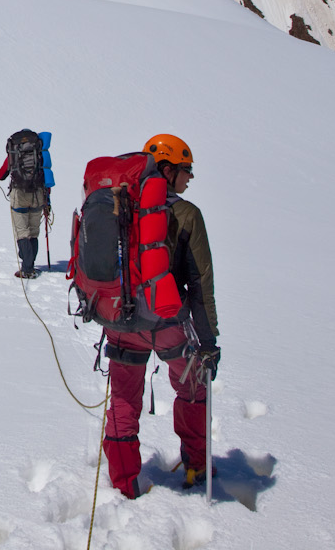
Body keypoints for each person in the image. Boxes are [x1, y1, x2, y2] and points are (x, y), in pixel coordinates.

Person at [101, 133, 220, 499]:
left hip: (121, 321)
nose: (189, 179)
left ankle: (124, 483)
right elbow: (200, 284)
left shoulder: (117, 204)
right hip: (169, 324)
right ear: (167, 169)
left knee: (123, 398)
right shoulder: (187, 214)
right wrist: (209, 341)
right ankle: (196, 465)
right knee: (192, 390)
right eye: (186, 171)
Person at [0, 130, 51, 279]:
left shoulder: (14, 154)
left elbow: (2, 175)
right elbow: (47, 175)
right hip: (38, 194)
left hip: (19, 194)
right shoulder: (40, 153)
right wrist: (47, 201)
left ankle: (27, 268)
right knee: (34, 231)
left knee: (22, 231)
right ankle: (30, 264)